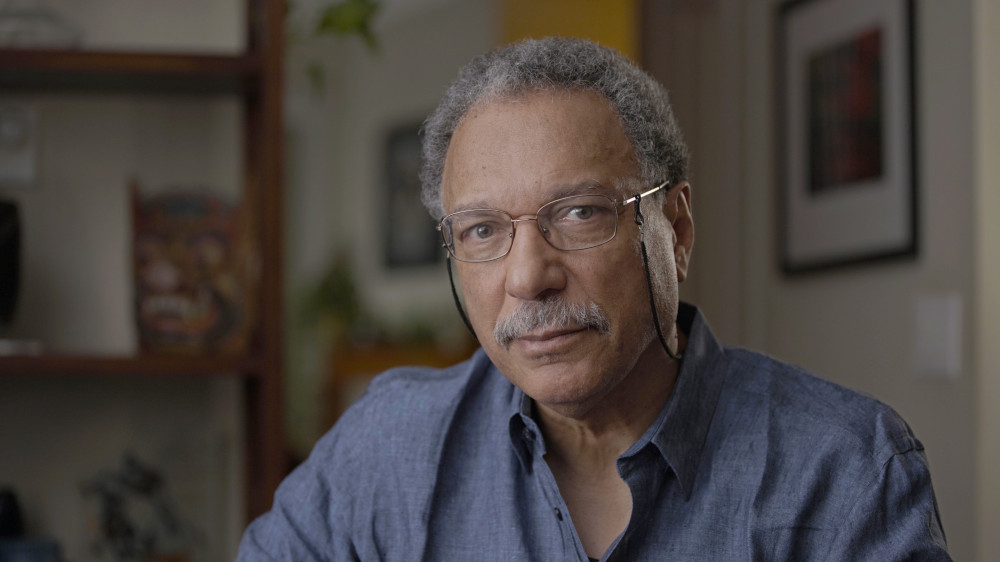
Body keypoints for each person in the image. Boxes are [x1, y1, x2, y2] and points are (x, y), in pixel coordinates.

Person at [237, 37, 949, 561]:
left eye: (578, 213)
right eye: (482, 230)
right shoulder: (390, 448)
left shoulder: (846, 470)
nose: (527, 277)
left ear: (676, 228)